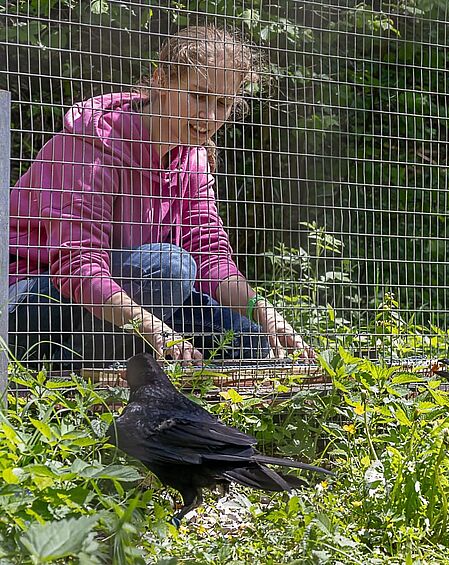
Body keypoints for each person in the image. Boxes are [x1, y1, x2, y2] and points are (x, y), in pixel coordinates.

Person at [8, 25, 314, 369]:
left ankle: (124, 373)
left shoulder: (194, 159)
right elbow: (77, 266)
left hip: (128, 294)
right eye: (199, 96)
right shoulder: (90, 146)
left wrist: (264, 312)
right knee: (170, 268)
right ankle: (61, 372)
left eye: (223, 104)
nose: (209, 117)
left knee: (250, 345)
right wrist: (153, 327)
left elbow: (211, 255)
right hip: (28, 297)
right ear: (161, 80)